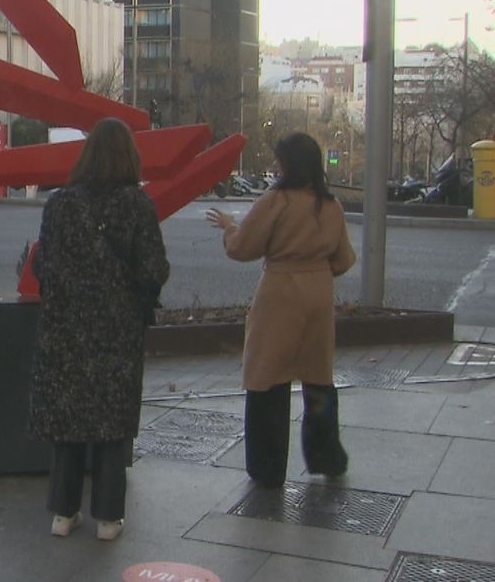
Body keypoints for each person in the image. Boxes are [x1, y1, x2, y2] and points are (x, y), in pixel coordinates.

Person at [28, 118, 169, 542]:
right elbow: (153, 269)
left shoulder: (61, 204)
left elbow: (43, 266)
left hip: (65, 328)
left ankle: (63, 512)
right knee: (112, 421)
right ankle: (108, 517)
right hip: (117, 329)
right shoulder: (137, 205)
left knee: (68, 418)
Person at [205, 132, 356, 490]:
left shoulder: (276, 201)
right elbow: (344, 258)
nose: (273, 166)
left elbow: (244, 247)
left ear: (289, 165)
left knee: (266, 379)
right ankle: (326, 456)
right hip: (318, 294)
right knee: (319, 377)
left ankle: (268, 467)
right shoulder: (330, 205)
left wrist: (228, 227)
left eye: (278, 160)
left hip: (280, 293)